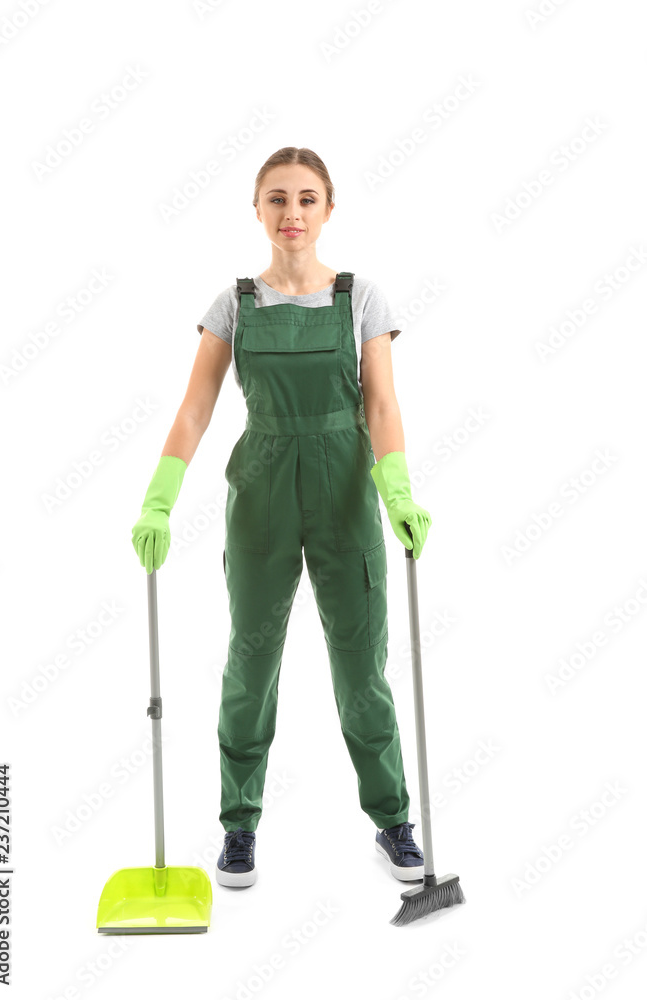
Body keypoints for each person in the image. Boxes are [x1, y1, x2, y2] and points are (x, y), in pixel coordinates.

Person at [131, 147, 432, 890]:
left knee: (362, 668)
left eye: (305, 199)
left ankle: (392, 819)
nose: (291, 213)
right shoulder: (231, 304)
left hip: (345, 497)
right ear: (257, 210)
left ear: (328, 209)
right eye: (276, 200)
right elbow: (197, 406)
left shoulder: (362, 297)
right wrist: (159, 496)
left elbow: (382, 402)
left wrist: (395, 487)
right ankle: (238, 827)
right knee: (250, 667)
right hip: (260, 494)